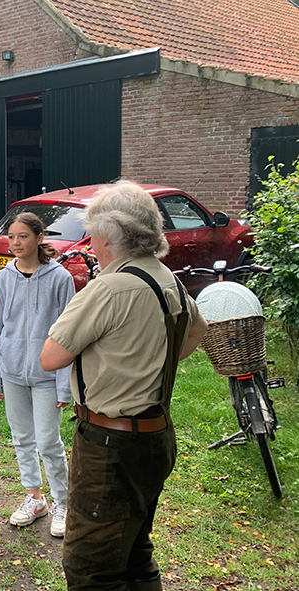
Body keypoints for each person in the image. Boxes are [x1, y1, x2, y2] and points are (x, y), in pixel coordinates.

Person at [40, 181, 207, 590]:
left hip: (109, 448)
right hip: (156, 437)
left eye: (93, 231)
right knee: (134, 548)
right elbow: (195, 332)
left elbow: (51, 357)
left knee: (90, 568)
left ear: (109, 235)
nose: (92, 241)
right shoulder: (165, 277)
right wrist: (146, 363)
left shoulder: (110, 288)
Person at [0, 212, 74, 537]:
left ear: (39, 239)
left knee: (48, 441)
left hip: (46, 376)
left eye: (22, 236)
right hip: (11, 373)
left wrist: (64, 385)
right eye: (11, 237)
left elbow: (68, 335)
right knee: (22, 439)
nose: (15, 243)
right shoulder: (4, 278)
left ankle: (61, 502)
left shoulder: (60, 279)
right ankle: (34, 498)